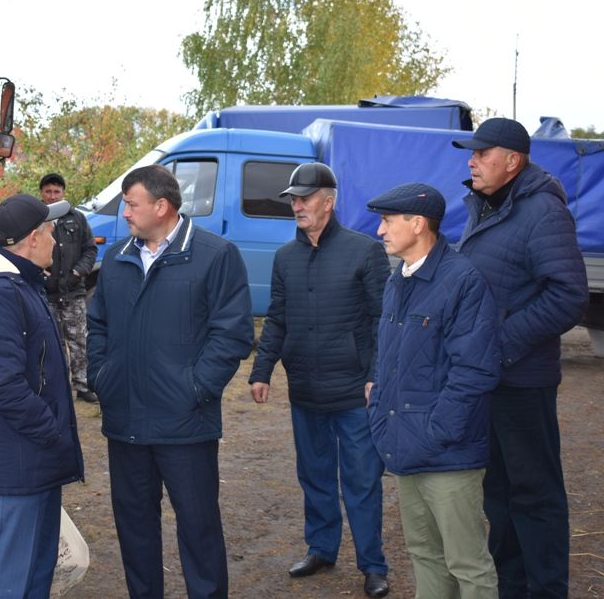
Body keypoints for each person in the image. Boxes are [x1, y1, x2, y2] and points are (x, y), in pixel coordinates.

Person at [86, 164, 254, 599]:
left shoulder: (214, 255)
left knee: (198, 527)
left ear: (162, 207)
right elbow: (97, 325)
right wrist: (104, 376)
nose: (124, 212)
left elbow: (232, 332)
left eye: (131, 203)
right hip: (126, 422)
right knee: (135, 528)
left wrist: (196, 389)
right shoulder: (119, 257)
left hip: (185, 424)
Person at [452, 118, 588, 597]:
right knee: (500, 493)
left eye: (481, 153)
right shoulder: (485, 207)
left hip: (522, 380)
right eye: (471, 152)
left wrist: (501, 343)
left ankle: (547, 589)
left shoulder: (543, 212)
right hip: (489, 378)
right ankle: (511, 584)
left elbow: (569, 296)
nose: (471, 160)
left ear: (512, 162)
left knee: (535, 494)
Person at [248, 162, 390, 598]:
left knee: (362, 480)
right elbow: (277, 319)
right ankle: (322, 548)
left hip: (353, 393)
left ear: (328, 202)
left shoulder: (364, 251)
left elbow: (382, 320)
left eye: (304, 198)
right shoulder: (285, 257)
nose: (297, 205)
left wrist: (375, 377)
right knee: (314, 475)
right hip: (306, 390)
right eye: (293, 199)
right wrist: (262, 369)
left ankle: (372, 565)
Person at [366, 183, 500, 598]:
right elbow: (386, 354)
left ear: (418, 223)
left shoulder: (462, 281)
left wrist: (438, 430)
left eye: (388, 221)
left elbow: (475, 371)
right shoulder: (398, 280)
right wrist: (377, 400)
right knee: (424, 553)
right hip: (406, 446)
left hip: (447, 453)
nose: (380, 231)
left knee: (467, 563)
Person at [0, 194, 84, 599]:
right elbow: (4, 386)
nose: (56, 241)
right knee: (13, 578)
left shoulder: (22, 282)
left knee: (37, 571)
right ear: (31, 238)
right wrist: (50, 431)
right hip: (21, 459)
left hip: (34, 456)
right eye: (50, 232)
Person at [38, 173, 99, 403]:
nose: (52, 196)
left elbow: (90, 250)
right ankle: (58, 386)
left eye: (57, 191)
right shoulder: (36, 220)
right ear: (41, 194)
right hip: (46, 294)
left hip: (73, 292)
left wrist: (77, 272)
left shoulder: (78, 219)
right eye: (48, 191)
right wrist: (38, 274)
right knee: (52, 343)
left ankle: (83, 385)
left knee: (78, 340)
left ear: (63, 193)